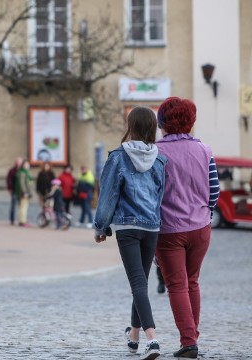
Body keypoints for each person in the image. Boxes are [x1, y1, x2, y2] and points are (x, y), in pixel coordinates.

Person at [93, 106, 167, 360]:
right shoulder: (160, 159)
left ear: (131, 126)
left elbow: (108, 194)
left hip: (127, 227)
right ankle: (134, 335)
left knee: (138, 284)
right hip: (151, 227)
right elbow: (160, 197)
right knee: (142, 283)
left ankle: (152, 339)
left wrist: (101, 226)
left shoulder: (117, 157)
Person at [155, 97, 220, 359]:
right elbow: (214, 191)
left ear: (162, 122)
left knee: (177, 285)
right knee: (192, 281)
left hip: (169, 228)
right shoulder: (205, 150)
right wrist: (205, 212)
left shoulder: (156, 151)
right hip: (201, 227)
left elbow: (152, 192)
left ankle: (188, 341)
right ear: (190, 121)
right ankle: (192, 336)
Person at [15, 159, 33, 227]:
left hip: (26, 192)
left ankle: (22, 220)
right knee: (23, 207)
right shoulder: (22, 173)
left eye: (28, 164)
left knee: (23, 207)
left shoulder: (26, 172)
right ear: (23, 165)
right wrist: (24, 192)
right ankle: (22, 221)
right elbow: (22, 183)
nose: (28, 165)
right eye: (26, 164)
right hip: (24, 193)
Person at [6, 157, 23, 225]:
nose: (19, 163)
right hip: (14, 190)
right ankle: (12, 220)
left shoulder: (23, 170)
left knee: (21, 206)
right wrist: (10, 189)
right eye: (18, 162)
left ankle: (21, 220)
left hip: (21, 191)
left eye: (20, 162)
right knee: (13, 205)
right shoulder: (12, 170)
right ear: (15, 163)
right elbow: (8, 180)